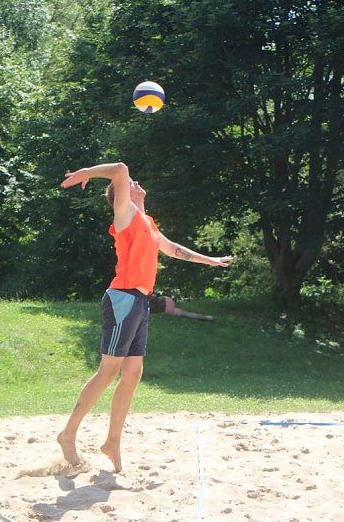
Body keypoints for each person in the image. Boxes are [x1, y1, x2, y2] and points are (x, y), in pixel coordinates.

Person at [57, 162, 233, 472]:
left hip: (140, 300)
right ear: (120, 195)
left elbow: (173, 249)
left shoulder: (147, 222)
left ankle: (112, 441)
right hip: (122, 298)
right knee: (108, 371)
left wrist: (211, 260)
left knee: (133, 372)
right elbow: (119, 169)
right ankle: (68, 434)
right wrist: (87, 172)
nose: (135, 182)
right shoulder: (124, 213)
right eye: (130, 183)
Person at [148, 292, 215, 322]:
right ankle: (207, 317)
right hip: (166, 301)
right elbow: (153, 295)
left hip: (165, 306)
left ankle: (206, 318)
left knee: (186, 314)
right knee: (187, 314)